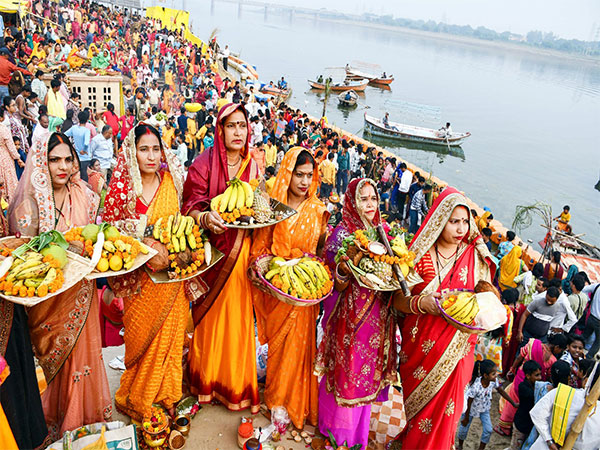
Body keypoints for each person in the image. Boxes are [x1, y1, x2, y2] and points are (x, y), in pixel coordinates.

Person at [8, 133, 111, 440]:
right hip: (48, 300)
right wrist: (66, 248)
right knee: (52, 363)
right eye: (54, 160)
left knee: (84, 360)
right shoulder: (28, 203)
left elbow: (96, 238)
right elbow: (22, 256)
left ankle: (82, 424)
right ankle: (53, 423)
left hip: (82, 294)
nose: (63, 166)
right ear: (42, 162)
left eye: (68, 159)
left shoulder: (83, 193)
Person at [391, 187, 495, 449]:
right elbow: (397, 301)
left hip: (457, 353)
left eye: (465, 222)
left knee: (447, 416)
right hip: (420, 350)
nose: (461, 229)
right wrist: (424, 303)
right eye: (453, 221)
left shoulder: (475, 257)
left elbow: (486, 301)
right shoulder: (421, 255)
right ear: (438, 220)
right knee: (418, 414)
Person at [103, 123, 188, 421]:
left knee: (172, 340)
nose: (151, 156)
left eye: (156, 149)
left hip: (172, 279)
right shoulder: (124, 188)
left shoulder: (173, 181)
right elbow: (112, 231)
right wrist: (145, 243)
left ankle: (168, 395)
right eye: (144, 149)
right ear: (132, 152)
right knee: (142, 341)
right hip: (140, 282)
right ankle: (140, 397)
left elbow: (185, 222)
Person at [183, 103, 260, 413]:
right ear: (220, 129)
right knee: (209, 320)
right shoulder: (203, 164)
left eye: (242, 126)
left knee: (238, 322)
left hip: (241, 255)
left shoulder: (252, 167)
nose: (238, 132)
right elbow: (190, 206)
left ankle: (235, 387)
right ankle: (204, 383)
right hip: (210, 257)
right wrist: (204, 219)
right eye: (232, 126)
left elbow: (256, 207)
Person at [250, 148, 328, 429]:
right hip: (278, 290)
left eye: (309, 176)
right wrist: (264, 267)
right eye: (299, 175)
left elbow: (320, 254)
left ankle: (294, 404)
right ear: (288, 173)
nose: (305, 182)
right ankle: (275, 399)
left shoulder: (318, 211)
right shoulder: (272, 207)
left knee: (299, 351)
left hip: (304, 294)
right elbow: (259, 248)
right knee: (279, 350)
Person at [315, 178, 397, 448]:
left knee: (366, 376)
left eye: (373, 198)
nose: (370, 204)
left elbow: (395, 273)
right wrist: (345, 270)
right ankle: (338, 434)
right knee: (346, 373)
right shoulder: (342, 234)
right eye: (363, 199)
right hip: (348, 320)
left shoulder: (383, 233)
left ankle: (358, 436)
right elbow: (332, 281)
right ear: (352, 201)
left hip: (377, 320)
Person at [496, 334, 566, 436]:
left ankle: (504, 426)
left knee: (512, 402)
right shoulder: (552, 360)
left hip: (521, 377)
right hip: (534, 385)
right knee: (523, 404)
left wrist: (512, 369)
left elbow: (519, 357)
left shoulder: (533, 344)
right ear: (557, 347)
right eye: (561, 350)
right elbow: (547, 375)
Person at [528, 361, 600, 450]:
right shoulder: (563, 393)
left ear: (586, 381)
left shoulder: (562, 393)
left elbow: (537, 414)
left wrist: (549, 441)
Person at [457, 360, 516, 450]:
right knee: (464, 428)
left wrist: (513, 403)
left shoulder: (493, 381)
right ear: (485, 375)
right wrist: (466, 417)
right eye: (493, 373)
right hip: (471, 409)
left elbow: (501, 391)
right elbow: (469, 402)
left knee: (488, 430)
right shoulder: (476, 386)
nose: (496, 375)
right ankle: (460, 445)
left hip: (484, 409)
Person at [511, 360, 542, 449]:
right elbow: (534, 396)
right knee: (516, 446)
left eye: (540, 374)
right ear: (528, 376)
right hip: (521, 424)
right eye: (536, 375)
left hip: (529, 424)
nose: (540, 377)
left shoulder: (535, 385)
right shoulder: (523, 387)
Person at [0, 107, 22, 203]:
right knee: (9, 180)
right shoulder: (3, 129)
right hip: (4, 158)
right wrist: (17, 158)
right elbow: (11, 147)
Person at [64, 111, 91, 181]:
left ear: (78, 119)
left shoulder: (74, 128)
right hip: (85, 157)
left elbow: (64, 135)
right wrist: (84, 150)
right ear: (87, 120)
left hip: (77, 156)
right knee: (84, 175)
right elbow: (86, 143)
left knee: (77, 176)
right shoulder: (86, 131)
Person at [581, 282, 600, 358]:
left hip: (591, 316)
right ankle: (588, 357)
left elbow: (584, 289)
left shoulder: (597, 286)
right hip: (598, 321)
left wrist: (587, 299)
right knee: (597, 342)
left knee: (585, 335)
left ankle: (573, 345)